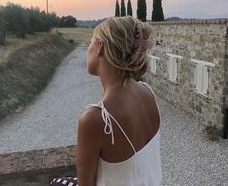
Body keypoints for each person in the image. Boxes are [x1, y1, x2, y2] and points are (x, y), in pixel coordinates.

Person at [50, 16, 162, 186]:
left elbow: (85, 184)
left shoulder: (95, 119)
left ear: (99, 47)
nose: (88, 49)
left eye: (90, 43)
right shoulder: (148, 92)